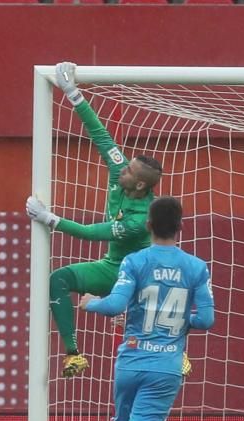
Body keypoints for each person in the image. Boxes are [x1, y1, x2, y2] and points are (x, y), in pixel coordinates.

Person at [25, 61, 191, 380]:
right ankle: (73, 354)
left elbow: (90, 233)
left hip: (142, 273)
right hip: (112, 267)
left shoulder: (142, 217)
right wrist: (73, 93)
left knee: (157, 307)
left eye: (129, 171)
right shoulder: (120, 175)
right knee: (58, 279)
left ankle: (176, 353)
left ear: (141, 185)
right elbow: (101, 136)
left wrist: (49, 218)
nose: (122, 170)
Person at [77, 195, 215, 421]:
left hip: (130, 360)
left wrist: (91, 302)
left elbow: (115, 306)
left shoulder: (135, 261)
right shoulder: (196, 267)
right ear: (181, 226)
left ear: (149, 225)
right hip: (165, 365)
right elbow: (208, 319)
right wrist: (182, 321)